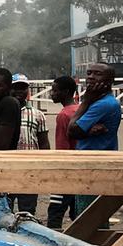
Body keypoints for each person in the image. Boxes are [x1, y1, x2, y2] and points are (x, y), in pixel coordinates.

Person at [70, 63, 123, 213]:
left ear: (110, 80)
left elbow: (71, 130)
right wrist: (86, 130)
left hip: (94, 166)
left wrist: (86, 101)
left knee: (89, 213)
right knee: (88, 211)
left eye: (97, 74)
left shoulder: (103, 104)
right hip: (90, 163)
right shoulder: (99, 102)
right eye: (89, 73)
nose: (91, 77)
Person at [9, 73, 48, 217]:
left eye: (23, 88)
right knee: (5, 208)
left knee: (27, 210)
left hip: (30, 169)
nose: (19, 91)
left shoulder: (37, 115)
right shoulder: (2, 113)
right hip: (7, 169)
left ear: (27, 90)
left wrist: (45, 165)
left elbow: (44, 143)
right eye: (15, 88)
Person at [47, 75, 80, 229]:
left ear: (65, 92)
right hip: (81, 168)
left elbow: (62, 147)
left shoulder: (64, 115)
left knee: (55, 210)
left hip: (66, 169)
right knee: (77, 210)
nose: (52, 94)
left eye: (55, 91)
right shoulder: (80, 110)